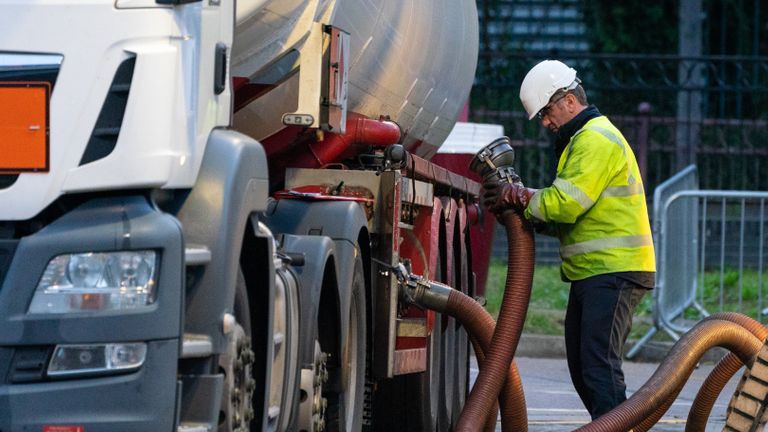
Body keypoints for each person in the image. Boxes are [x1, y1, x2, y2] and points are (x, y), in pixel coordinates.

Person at [482, 59, 656, 420]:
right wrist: (524, 210)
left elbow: (565, 203)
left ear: (568, 101)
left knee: (598, 367)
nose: (545, 122)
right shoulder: (582, 140)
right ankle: (612, 425)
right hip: (596, 272)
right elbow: (569, 217)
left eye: (546, 112)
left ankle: (616, 428)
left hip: (613, 272)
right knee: (584, 367)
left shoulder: (594, 140)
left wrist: (520, 196)